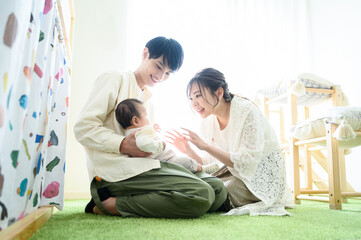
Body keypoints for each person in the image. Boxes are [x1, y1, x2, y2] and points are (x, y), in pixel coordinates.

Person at [74, 37, 227, 218]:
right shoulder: (115, 80)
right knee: (203, 194)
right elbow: (83, 128)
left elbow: (149, 144)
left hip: (146, 167)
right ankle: (113, 204)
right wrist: (122, 144)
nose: (161, 76)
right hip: (115, 173)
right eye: (159, 66)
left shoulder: (149, 103)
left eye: (168, 73)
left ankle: (150, 199)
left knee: (218, 190)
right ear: (145, 54)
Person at [166, 68, 293, 216]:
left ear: (219, 92)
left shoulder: (247, 111)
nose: (194, 104)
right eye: (191, 98)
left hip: (258, 177)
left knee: (223, 189)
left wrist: (205, 146)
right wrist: (188, 150)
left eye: (198, 96)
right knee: (205, 182)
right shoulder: (207, 121)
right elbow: (212, 165)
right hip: (233, 172)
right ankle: (173, 197)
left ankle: (174, 203)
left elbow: (248, 162)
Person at [115, 98, 220, 174]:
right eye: (146, 116)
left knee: (182, 163)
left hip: (166, 159)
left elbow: (147, 136)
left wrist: (152, 129)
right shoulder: (137, 137)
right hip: (164, 161)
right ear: (135, 120)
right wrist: (161, 145)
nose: (148, 119)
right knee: (185, 162)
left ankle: (199, 168)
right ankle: (202, 169)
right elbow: (145, 143)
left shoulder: (136, 133)